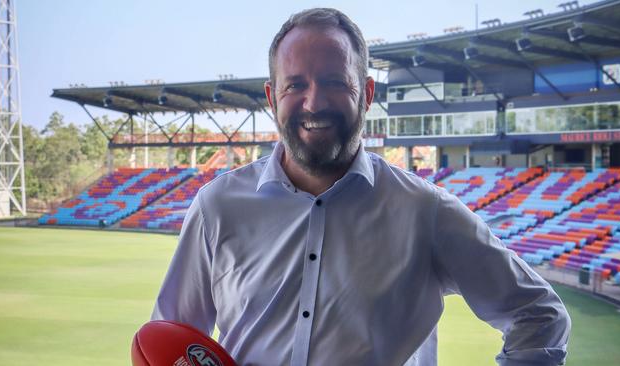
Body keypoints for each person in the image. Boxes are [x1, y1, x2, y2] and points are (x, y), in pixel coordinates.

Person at [152, 8, 570, 366]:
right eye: (295, 84)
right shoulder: (218, 206)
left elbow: (540, 315)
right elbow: (172, 337)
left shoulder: (424, 210)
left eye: (335, 82)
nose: (314, 103)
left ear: (367, 93)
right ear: (271, 96)